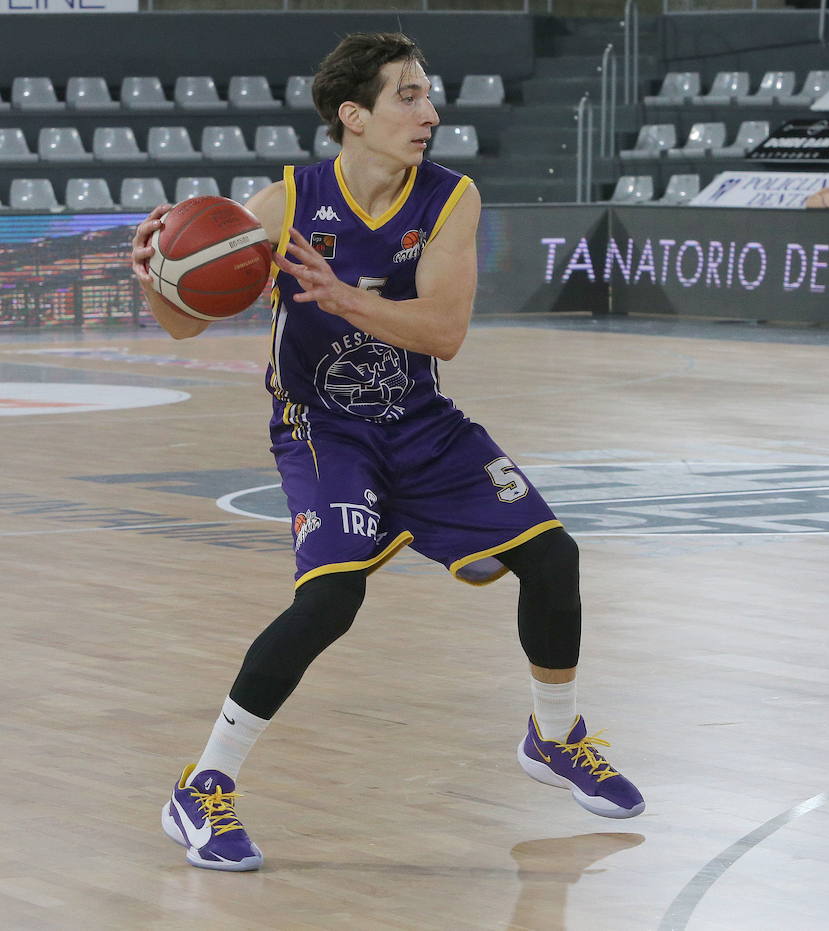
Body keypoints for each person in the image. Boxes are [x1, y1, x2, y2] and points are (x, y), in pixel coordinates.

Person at [128, 32, 644, 872]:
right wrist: (153, 276)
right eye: (408, 96)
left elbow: (444, 332)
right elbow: (188, 321)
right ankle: (202, 786)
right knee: (330, 602)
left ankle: (554, 737)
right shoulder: (288, 202)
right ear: (353, 116)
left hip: (422, 421)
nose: (430, 113)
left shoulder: (450, 197)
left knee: (555, 558)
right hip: (321, 428)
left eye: (428, 95)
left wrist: (338, 297)